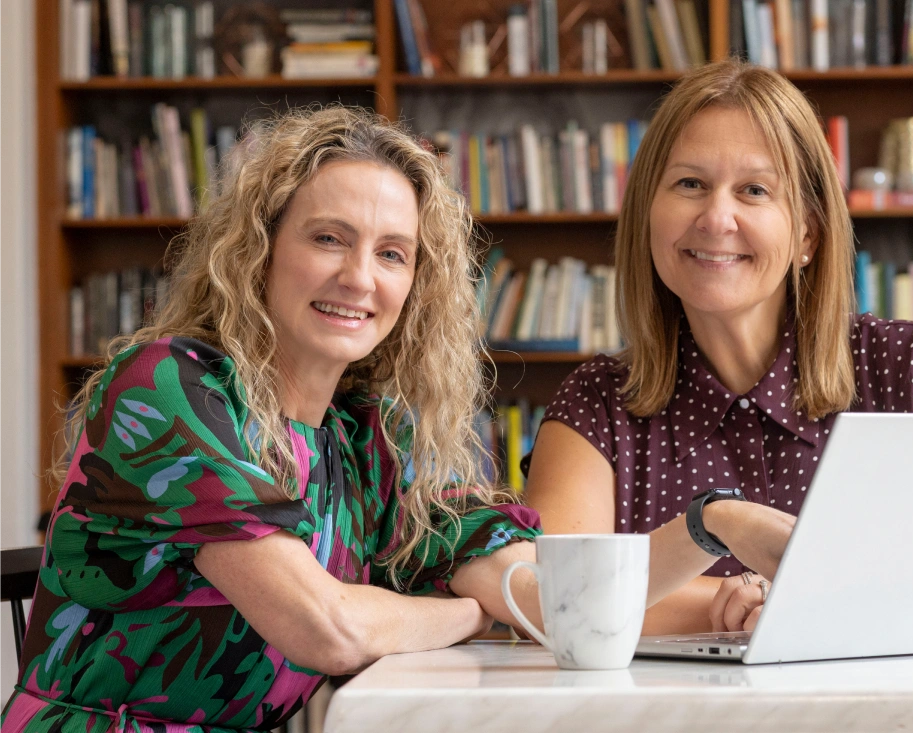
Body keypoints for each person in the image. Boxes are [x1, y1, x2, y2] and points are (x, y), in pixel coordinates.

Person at [1, 106, 550, 732]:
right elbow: (328, 629)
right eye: (328, 239)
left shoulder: (362, 434)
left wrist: (500, 587)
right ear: (261, 248)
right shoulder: (165, 390)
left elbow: (494, 559)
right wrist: (471, 614)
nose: (359, 277)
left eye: (393, 254)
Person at [524, 59, 913, 637]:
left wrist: (792, 602)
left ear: (807, 234)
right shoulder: (597, 403)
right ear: (648, 215)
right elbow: (548, 600)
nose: (716, 217)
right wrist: (776, 603)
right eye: (690, 184)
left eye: (754, 190)